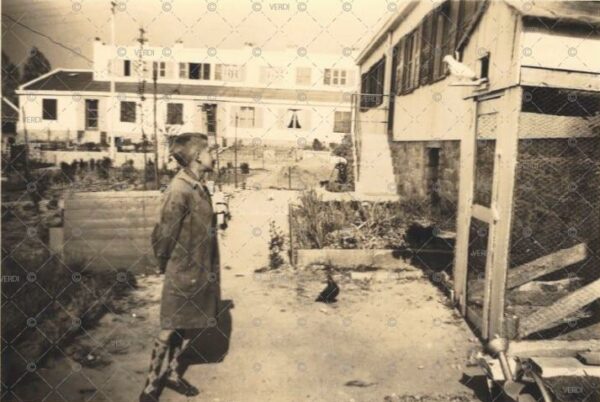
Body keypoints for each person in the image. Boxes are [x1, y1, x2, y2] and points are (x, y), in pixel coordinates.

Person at [139, 133, 220, 402]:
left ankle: (172, 374)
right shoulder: (179, 189)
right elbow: (165, 233)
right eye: (209, 150)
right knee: (169, 325)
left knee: (182, 324)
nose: (213, 154)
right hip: (182, 268)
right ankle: (150, 386)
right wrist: (163, 263)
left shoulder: (198, 185)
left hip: (198, 267)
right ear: (197, 157)